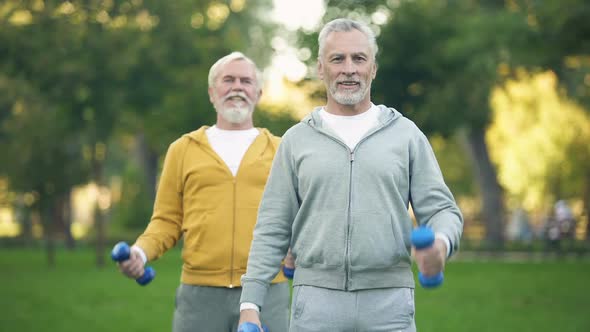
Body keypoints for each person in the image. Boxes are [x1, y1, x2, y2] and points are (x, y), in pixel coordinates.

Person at [238, 18, 463, 332]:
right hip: (315, 303)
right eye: (337, 59)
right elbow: (272, 226)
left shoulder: (405, 135)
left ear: (373, 68)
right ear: (321, 68)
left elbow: (442, 210)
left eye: (359, 58)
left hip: (390, 305)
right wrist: (250, 305)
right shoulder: (296, 140)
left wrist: (440, 244)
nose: (349, 68)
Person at [117, 52, 293, 332]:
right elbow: (166, 220)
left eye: (246, 81)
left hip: (266, 291)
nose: (237, 87)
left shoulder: (283, 150)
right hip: (199, 294)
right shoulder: (183, 149)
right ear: (212, 93)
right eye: (228, 80)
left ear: (258, 93)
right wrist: (140, 252)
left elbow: (298, 218)